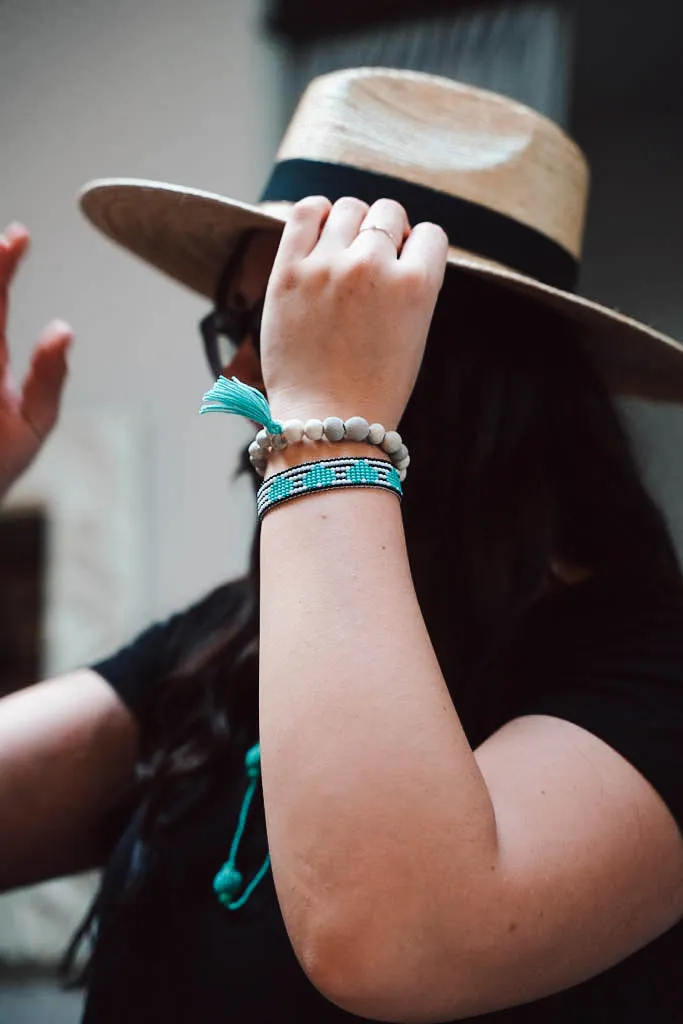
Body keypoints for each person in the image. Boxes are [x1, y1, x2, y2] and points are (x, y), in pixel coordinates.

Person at [1, 67, 682, 1023]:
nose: (245, 368)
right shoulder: (228, 639)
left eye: (289, 324)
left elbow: (398, 941)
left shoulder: (648, 666)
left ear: (470, 364)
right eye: (242, 323)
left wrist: (331, 425)